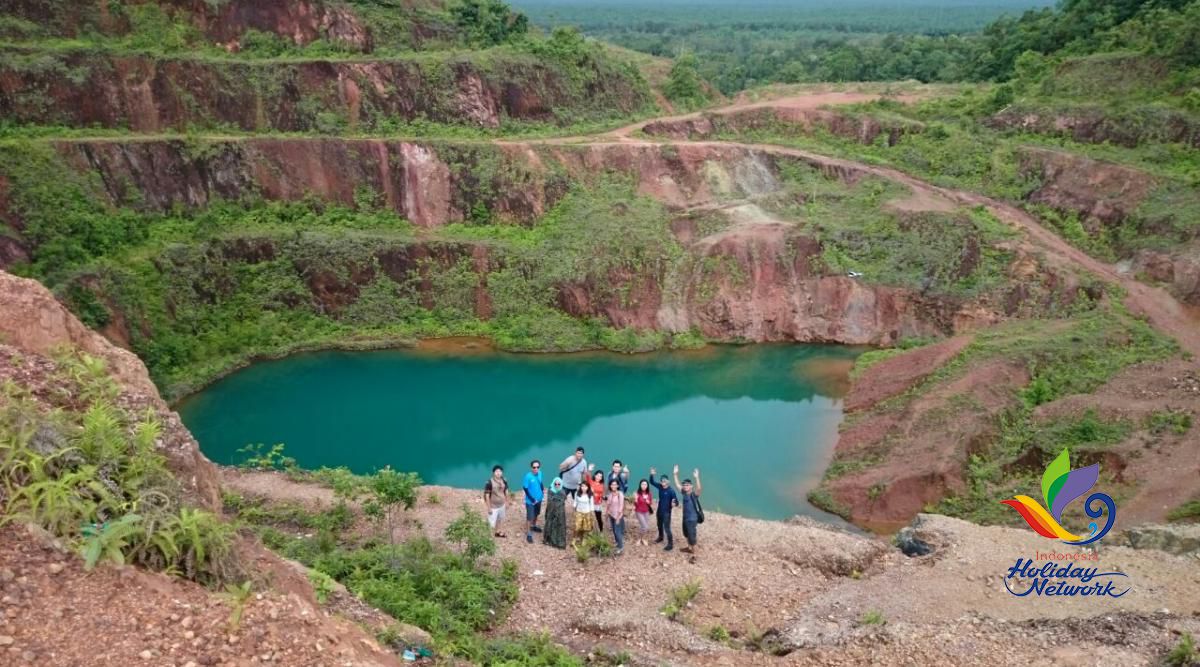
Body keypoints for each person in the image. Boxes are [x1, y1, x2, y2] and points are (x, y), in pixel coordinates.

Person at [674, 465, 702, 557]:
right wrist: (675, 474)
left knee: (692, 536)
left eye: (687, 485)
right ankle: (689, 548)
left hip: (692, 519)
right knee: (686, 534)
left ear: (691, 486)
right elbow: (677, 485)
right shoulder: (684, 493)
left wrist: (697, 477)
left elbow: (699, 489)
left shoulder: (694, 495)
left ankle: (694, 554)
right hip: (685, 518)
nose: (685, 486)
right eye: (684, 485)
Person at [649, 466, 678, 551]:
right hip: (659, 511)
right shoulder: (660, 487)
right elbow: (651, 482)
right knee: (659, 525)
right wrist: (651, 474)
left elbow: (676, 502)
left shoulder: (671, 491)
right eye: (661, 481)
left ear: (668, 481)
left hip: (667, 513)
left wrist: (674, 504)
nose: (663, 482)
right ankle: (661, 537)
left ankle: (670, 544)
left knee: (667, 528)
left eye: (664, 481)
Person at [522, 459, 546, 544]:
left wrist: (543, 488)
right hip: (530, 501)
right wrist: (532, 499)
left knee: (536, 514)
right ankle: (529, 534)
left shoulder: (540, 473)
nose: (536, 469)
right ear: (531, 467)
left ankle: (534, 526)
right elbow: (525, 488)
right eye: (534, 467)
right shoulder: (528, 476)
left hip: (539, 499)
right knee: (529, 517)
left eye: (537, 467)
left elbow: (540, 481)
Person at [483, 465, 509, 538]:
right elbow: (487, 496)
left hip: (502, 505)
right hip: (493, 506)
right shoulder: (489, 482)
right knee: (491, 523)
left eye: (500, 471)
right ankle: (489, 537)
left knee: (500, 519)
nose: (498, 473)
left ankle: (497, 532)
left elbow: (506, 491)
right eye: (497, 471)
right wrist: (489, 507)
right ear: (493, 472)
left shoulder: (504, 480)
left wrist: (507, 502)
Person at [543, 477, 567, 549]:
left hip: (559, 512)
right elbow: (550, 500)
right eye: (555, 484)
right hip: (551, 511)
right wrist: (555, 499)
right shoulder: (550, 491)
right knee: (549, 524)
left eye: (559, 484)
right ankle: (549, 540)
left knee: (559, 526)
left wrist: (554, 499)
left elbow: (561, 501)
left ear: (561, 484)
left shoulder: (562, 492)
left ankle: (558, 542)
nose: (557, 485)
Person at [571, 479, 596, 547]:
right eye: (582, 486)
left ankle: (584, 540)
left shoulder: (590, 494)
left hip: (587, 513)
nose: (583, 488)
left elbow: (591, 504)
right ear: (580, 487)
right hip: (579, 512)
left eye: (585, 486)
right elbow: (575, 501)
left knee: (586, 527)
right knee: (577, 527)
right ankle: (574, 539)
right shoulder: (577, 493)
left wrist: (592, 513)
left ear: (588, 487)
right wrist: (574, 508)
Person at [605, 478, 626, 555]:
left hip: (618, 516)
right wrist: (606, 515)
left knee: (617, 532)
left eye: (615, 484)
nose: (613, 486)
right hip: (611, 515)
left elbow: (621, 507)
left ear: (617, 485)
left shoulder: (620, 494)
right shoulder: (610, 494)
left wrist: (618, 518)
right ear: (610, 486)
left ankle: (620, 547)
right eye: (612, 484)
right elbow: (608, 505)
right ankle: (617, 543)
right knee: (614, 531)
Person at [633, 479, 653, 546]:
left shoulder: (649, 493)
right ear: (640, 485)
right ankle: (639, 539)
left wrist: (648, 502)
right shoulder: (637, 493)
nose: (644, 486)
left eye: (645, 484)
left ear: (647, 486)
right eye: (642, 484)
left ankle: (643, 539)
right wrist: (635, 499)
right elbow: (635, 505)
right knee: (645, 527)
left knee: (643, 526)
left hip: (646, 512)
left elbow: (650, 502)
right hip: (639, 511)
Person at [586, 469, 606, 533]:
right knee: (590, 517)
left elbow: (602, 494)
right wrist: (589, 470)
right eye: (597, 475)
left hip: (598, 504)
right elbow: (587, 476)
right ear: (595, 475)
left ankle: (601, 531)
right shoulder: (591, 482)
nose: (598, 477)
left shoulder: (602, 485)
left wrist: (602, 497)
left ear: (601, 478)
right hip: (591, 503)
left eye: (600, 476)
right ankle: (590, 531)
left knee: (599, 518)